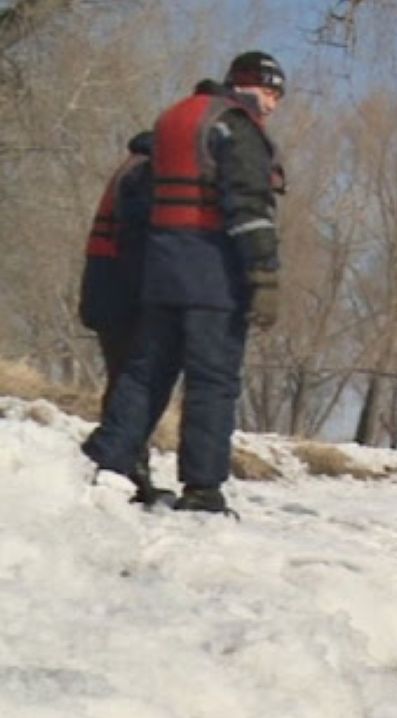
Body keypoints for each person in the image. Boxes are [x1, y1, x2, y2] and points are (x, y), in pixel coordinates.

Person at [82, 51, 286, 514]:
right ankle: (202, 488)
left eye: (277, 96)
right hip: (214, 278)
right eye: (268, 92)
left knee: (145, 373)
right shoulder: (234, 126)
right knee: (212, 383)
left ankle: (106, 463)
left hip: (162, 275)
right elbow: (249, 207)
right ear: (242, 85)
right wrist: (264, 278)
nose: (271, 105)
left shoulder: (174, 120)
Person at [78, 129, 174, 506]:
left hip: (106, 287)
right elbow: (140, 234)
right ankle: (118, 468)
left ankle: (131, 469)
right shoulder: (146, 171)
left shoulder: (131, 166)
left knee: (125, 381)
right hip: (124, 291)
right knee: (137, 382)